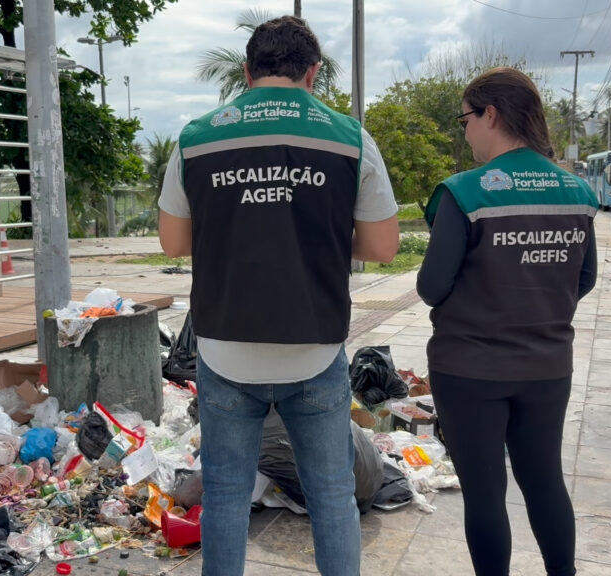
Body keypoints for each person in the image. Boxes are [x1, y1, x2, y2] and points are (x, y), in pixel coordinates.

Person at [158, 16, 399, 576]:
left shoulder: (197, 137)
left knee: (223, 494)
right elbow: (384, 246)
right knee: (332, 496)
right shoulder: (348, 137)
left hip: (224, 346)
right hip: (313, 347)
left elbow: (173, 242)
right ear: (313, 72)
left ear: (247, 72)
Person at [416, 67, 598, 576]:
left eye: (466, 119)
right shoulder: (576, 192)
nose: (466, 131)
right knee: (544, 481)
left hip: (470, 367)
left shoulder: (465, 192)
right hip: (547, 366)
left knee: (486, 493)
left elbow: (432, 286)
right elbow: (584, 278)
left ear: (490, 114)